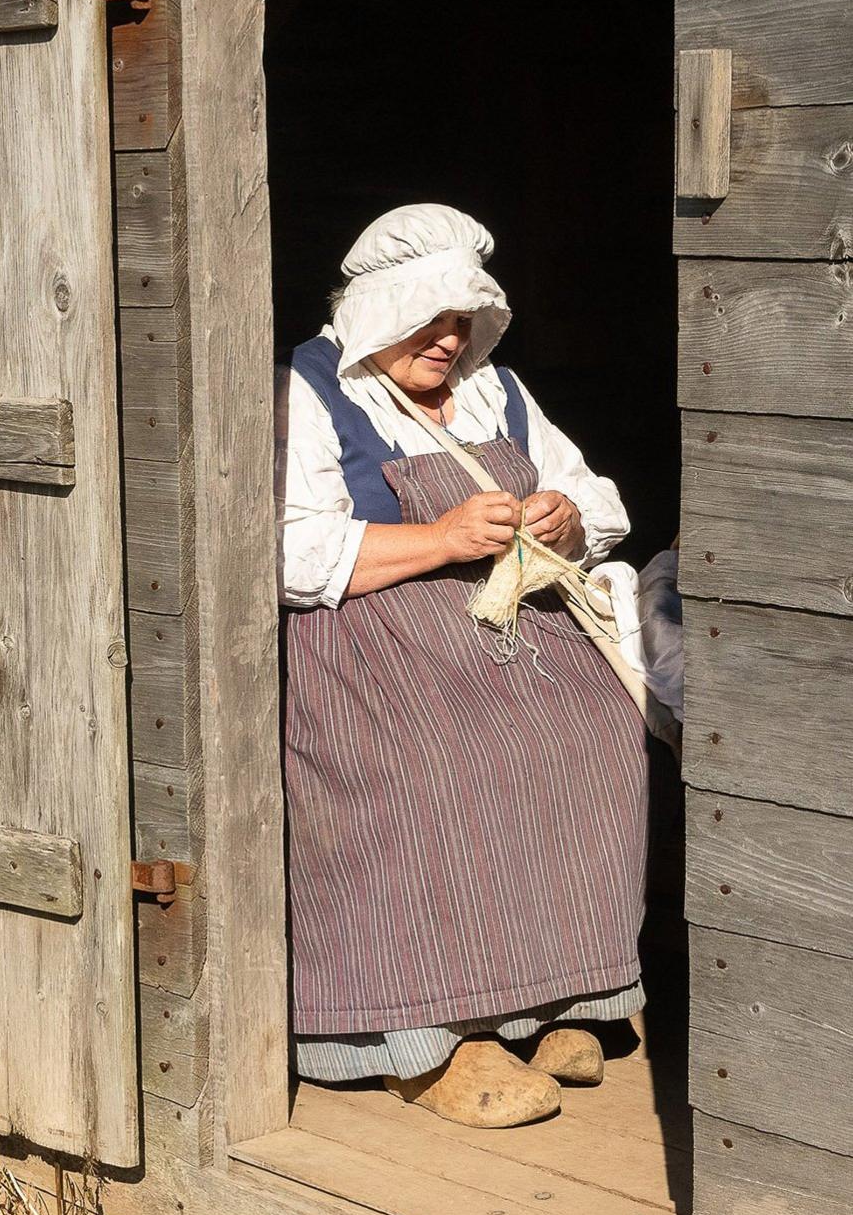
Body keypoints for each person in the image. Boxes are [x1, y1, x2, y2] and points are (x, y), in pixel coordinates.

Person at [275, 205, 650, 1129]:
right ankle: (425, 1044)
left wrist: (566, 517)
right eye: (430, 322)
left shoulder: (498, 392)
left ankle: (557, 1005)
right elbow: (284, 550)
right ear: (378, 312)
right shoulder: (313, 390)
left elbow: (597, 494)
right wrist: (438, 538)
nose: (449, 341)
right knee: (442, 767)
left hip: (510, 629)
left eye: (464, 324)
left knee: (599, 737)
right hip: (374, 642)